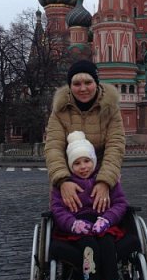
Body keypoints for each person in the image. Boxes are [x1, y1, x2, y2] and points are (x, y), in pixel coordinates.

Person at [51, 131, 138, 280]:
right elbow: (57, 209)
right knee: (89, 249)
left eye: (86, 161)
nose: (83, 167)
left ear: (94, 160)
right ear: (70, 165)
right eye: (77, 163)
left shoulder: (107, 180)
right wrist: (73, 223)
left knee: (107, 245)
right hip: (76, 230)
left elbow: (120, 203)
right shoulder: (63, 185)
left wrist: (106, 220)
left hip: (103, 226)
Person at [45, 59, 125, 214]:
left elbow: (115, 146)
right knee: (67, 226)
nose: (83, 88)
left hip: (102, 177)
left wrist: (105, 181)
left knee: (111, 224)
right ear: (70, 86)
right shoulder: (60, 109)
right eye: (76, 84)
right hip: (70, 179)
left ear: (96, 82)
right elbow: (53, 147)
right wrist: (63, 181)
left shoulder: (110, 108)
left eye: (88, 82)